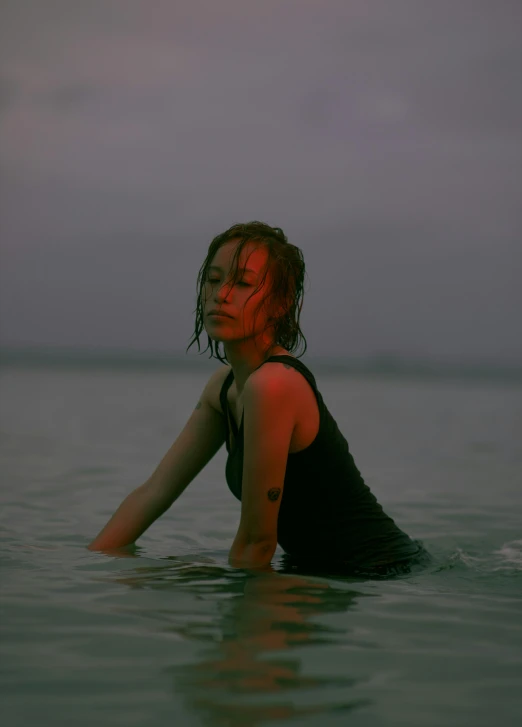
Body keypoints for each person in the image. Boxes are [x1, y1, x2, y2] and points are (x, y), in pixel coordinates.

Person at [88, 221, 430, 577]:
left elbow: (257, 542)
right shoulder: (224, 387)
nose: (221, 294)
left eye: (243, 283)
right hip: (320, 573)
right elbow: (152, 493)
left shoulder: (273, 385)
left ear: (281, 303)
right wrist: (85, 575)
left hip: (383, 574)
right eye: (214, 279)